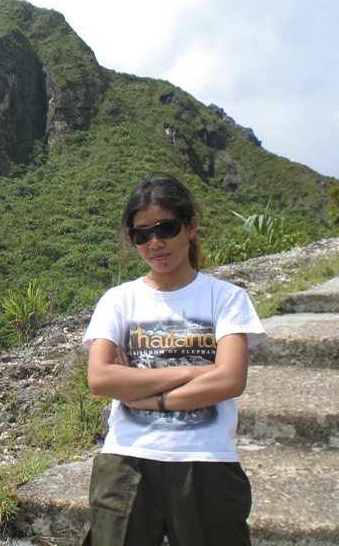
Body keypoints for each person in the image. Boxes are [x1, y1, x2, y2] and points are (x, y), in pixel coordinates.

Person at [81, 171, 266, 546]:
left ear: (191, 226)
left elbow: (230, 381)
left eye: (166, 228)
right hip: (126, 462)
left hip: (207, 462)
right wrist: (193, 371)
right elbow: (100, 379)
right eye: (141, 235)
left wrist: (144, 396)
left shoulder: (227, 298)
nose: (155, 243)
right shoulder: (119, 300)